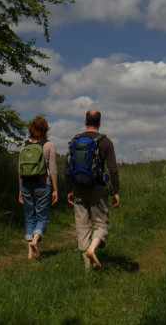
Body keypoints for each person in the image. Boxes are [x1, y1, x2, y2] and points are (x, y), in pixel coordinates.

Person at [65, 109, 120, 270]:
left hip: (78, 188)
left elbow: (67, 167)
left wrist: (69, 190)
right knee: (102, 224)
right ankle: (92, 249)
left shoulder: (75, 140)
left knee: (82, 226)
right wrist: (116, 192)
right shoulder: (105, 142)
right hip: (98, 188)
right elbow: (113, 169)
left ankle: (87, 269)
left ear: (85, 122)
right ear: (100, 123)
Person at [17, 115, 58, 260]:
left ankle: (30, 253)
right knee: (42, 217)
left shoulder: (25, 144)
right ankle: (35, 241)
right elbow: (52, 170)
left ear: (31, 129)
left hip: (26, 185)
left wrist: (20, 190)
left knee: (29, 218)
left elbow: (20, 170)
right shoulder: (49, 145)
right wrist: (55, 189)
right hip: (42, 184)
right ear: (45, 129)